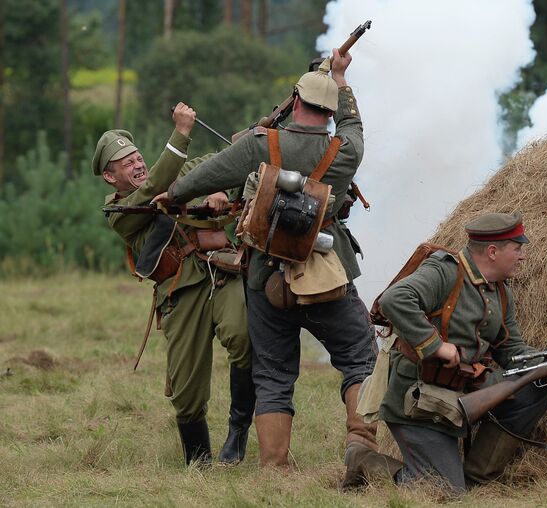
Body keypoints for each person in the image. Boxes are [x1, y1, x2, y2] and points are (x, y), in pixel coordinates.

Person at [151, 49, 379, 478]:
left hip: (264, 277)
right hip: (327, 274)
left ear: (295, 102)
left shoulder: (260, 144)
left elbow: (210, 174)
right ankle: (360, 445)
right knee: (360, 356)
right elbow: (354, 125)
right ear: (329, 113)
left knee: (273, 374)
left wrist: (174, 194)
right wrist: (343, 81)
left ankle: (274, 469)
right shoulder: (345, 151)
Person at [92, 103, 256, 467]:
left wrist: (252, 140)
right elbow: (155, 189)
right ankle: (198, 464)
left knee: (243, 336)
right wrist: (180, 132)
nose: (137, 164)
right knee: (186, 393)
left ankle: (238, 431)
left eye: (137, 157)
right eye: (126, 163)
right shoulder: (121, 211)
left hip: (221, 271)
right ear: (110, 177)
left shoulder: (181, 173)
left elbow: (227, 162)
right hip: (179, 294)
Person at [372, 211, 547, 493]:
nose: (523, 256)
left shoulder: (501, 292)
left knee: (535, 387)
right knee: (443, 492)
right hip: (420, 397)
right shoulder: (445, 271)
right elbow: (394, 299)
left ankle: (477, 477)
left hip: (464, 389)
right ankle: (365, 462)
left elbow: (511, 349)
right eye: (517, 248)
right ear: (493, 251)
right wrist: (434, 346)